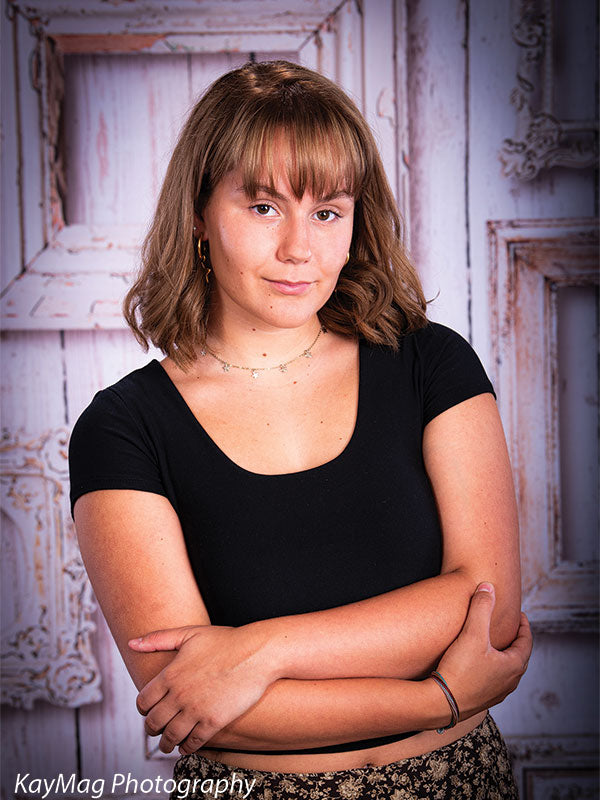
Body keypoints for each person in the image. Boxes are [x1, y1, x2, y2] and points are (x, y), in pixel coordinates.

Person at [69, 60, 532, 799]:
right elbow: (193, 704)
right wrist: (439, 699)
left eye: (327, 212)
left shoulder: (430, 363)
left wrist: (260, 650)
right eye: (262, 208)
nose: (298, 249)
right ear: (198, 211)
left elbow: (486, 601)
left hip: (460, 781)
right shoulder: (123, 428)